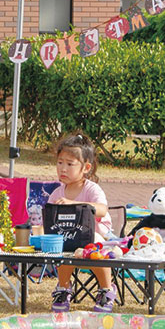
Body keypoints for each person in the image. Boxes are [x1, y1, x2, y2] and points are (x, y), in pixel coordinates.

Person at [48, 133, 115, 313]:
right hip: (69, 236)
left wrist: (74, 204)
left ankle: (106, 289)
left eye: (70, 164)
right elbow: (49, 219)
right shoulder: (57, 193)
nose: (63, 168)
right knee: (60, 244)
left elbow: (102, 209)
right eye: (60, 162)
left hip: (98, 235)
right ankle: (63, 288)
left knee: (92, 244)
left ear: (86, 167)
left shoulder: (91, 188)